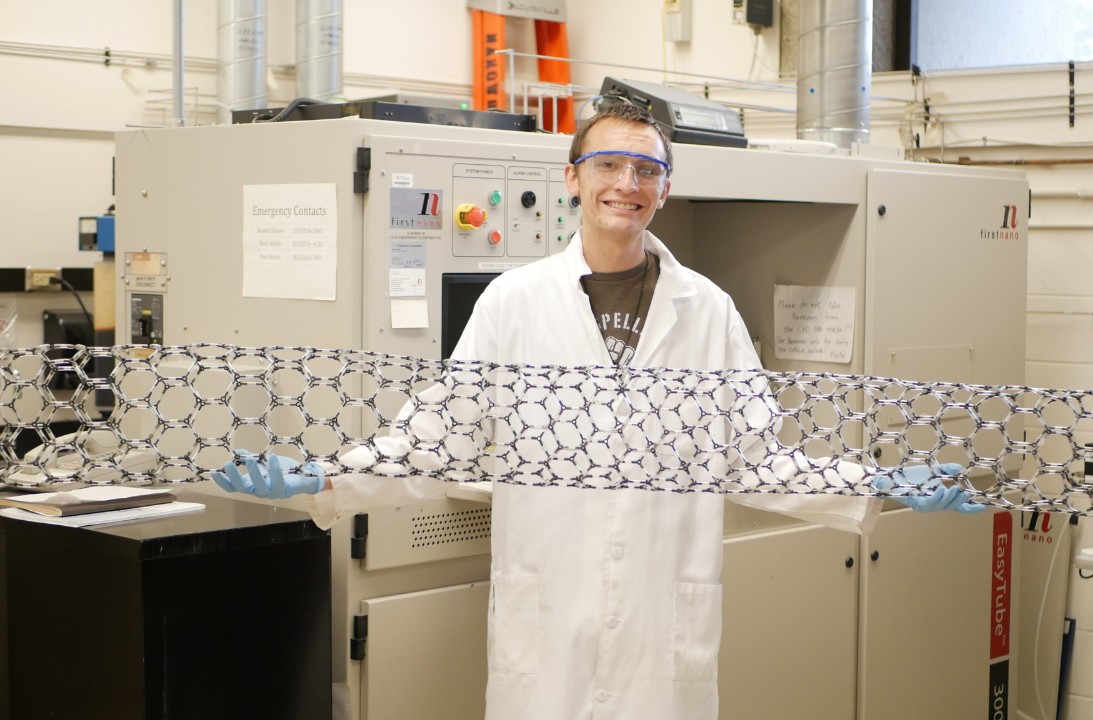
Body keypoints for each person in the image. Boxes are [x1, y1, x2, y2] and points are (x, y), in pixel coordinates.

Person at [213, 101, 982, 720]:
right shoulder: (514, 301)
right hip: (547, 626)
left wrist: (878, 486)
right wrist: (327, 478)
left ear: (665, 189)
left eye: (647, 167)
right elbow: (435, 436)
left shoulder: (708, 311)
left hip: (661, 630)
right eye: (608, 163)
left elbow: (757, 459)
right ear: (573, 179)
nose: (628, 181)